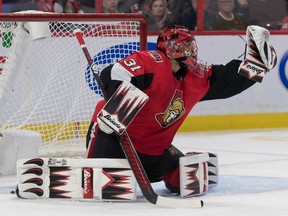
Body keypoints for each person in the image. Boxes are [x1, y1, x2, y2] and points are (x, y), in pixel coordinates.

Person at [86, 25, 277, 195]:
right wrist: (117, 109)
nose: (190, 49)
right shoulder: (152, 60)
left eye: (190, 45)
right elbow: (114, 73)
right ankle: (93, 172)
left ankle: (154, 172)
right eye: (184, 44)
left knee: (191, 177)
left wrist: (256, 65)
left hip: (153, 152)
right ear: (169, 48)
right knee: (104, 188)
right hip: (115, 143)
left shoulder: (197, 77)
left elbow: (227, 82)